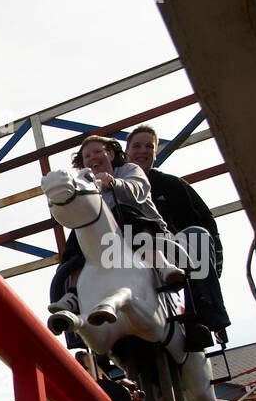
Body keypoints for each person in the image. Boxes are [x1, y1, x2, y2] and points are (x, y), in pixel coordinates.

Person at [47, 134, 179, 317]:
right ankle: (73, 295)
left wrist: (113, 183)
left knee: (122, 212)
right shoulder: (86, 185)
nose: (93, 158)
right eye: (87, 156)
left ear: (110, 154)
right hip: (105, 242)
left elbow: (138, 191)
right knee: (78, 233)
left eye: (97, 152)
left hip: (143, 229)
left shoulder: (129, 169)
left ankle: (163, 266)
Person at [125, 125, 231, 345]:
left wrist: (212, 273)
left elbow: (206, 226)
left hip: (174, 255)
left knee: (195, 235)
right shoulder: (115, 189)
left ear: (155, 153)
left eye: (148, 146)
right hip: (130, 256)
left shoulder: (172, 186)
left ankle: (204, 318)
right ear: (127, 151)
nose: (142, 151)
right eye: (136, 146)